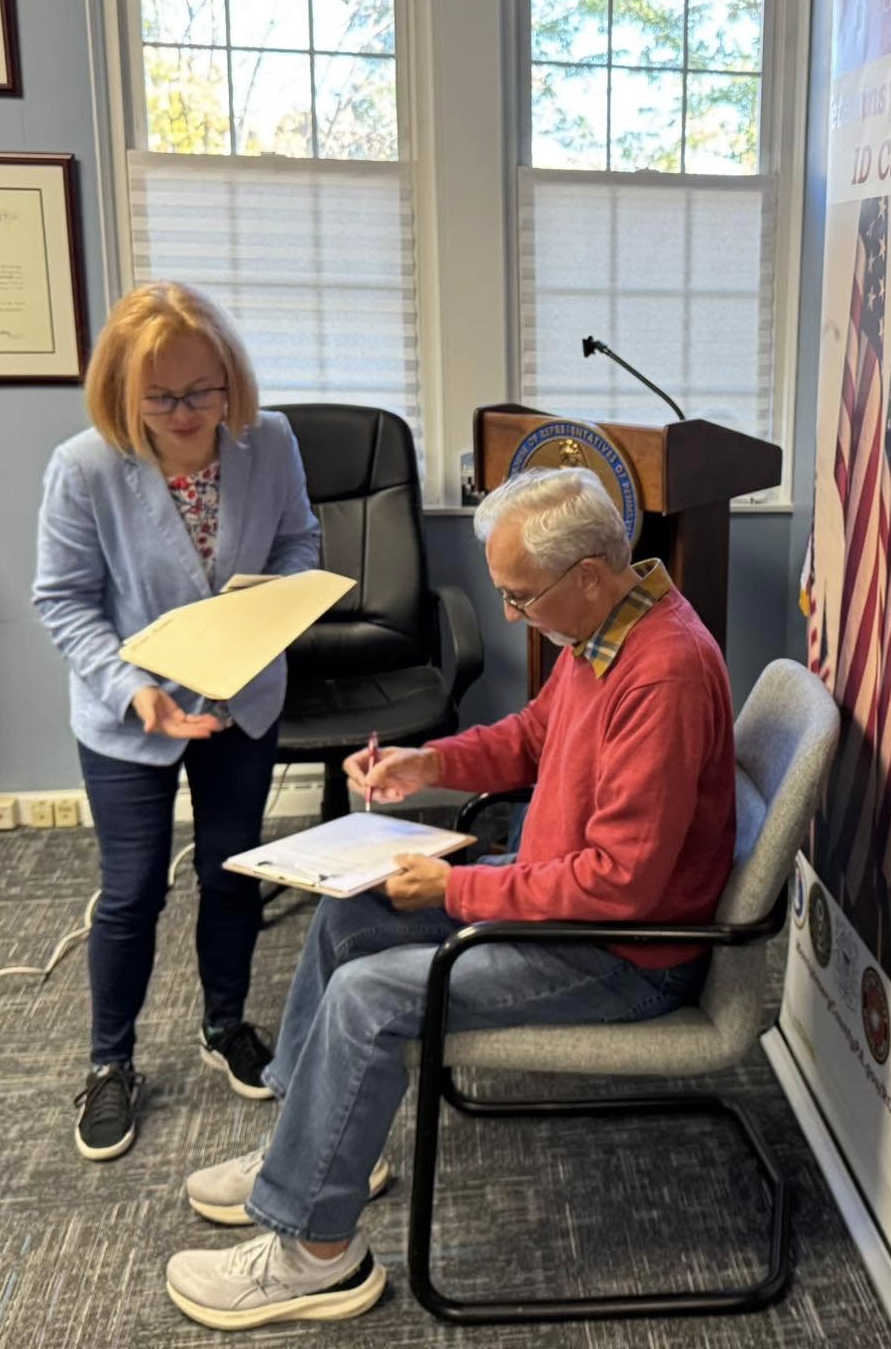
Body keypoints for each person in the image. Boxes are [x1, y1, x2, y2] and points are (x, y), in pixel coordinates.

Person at [162, 466, 735, 1330]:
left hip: (623, 956)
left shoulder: (664, 674)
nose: (509, 613)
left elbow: (621, 885)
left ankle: (315, 1256)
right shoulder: (604, 629)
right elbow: (534, 736)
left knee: (370, 993)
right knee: (351, 910)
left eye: (519, 595)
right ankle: (308, 1150)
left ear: (588, 574)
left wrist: (459, 886)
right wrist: (431, 763)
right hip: (558, 909)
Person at [32, 281, 320, 1163]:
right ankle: (109, 1062)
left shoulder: (269, 441)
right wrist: (132, 690)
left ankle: (225, 1025)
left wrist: (269, 607)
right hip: (134, 712)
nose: (188, 414)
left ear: (232, 380)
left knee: (231, 874)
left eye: (204, 391)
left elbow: (298, 541)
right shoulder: (84, 467)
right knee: (132, 893)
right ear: (123, 392)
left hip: (240, 697)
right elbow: (64, 600)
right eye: (162, 398)